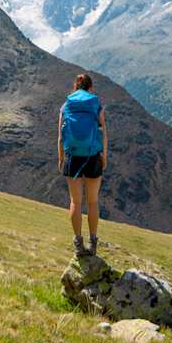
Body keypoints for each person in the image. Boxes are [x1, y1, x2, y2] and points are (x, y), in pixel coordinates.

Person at [57, 73, 107, 257]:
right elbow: (103, 132)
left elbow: (61, 136)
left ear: (75, 87)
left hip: (72, 157)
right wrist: (104, 156)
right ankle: (93, 244)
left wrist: (61, 158)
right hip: (93, 156)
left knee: (75, 202)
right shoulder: (96, 104)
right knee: (92, 201)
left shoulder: (66, 105)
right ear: (91, 87)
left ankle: (78, 244)